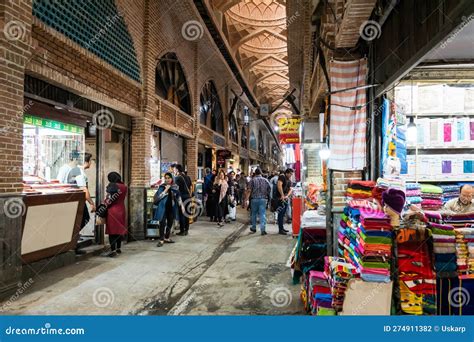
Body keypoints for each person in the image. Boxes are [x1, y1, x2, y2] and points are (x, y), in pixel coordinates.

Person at [153, 173, 182, 247]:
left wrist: (181, 205)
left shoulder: (175, 187)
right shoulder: (162, 187)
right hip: (163, 208)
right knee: (162, 223)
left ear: (172, 178)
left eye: (169, 178)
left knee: (170, 223)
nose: (167, 179)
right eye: (166, 178)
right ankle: (161, 239)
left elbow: (178, 196)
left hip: (172, 208)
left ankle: (167, 237)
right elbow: (159, 197)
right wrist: (166, 190)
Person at [104, 172, 128, 257]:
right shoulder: (124, 186)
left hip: (113, 211)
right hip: (121, 209)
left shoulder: (113, 186)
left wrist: (105, 203)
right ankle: (118, 248)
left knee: (112, 232)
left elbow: (110, 200)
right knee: (119, 231)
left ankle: (113, 251)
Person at [248, 168, 271, 235]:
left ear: (255, 173)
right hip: (263, 199)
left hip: (254, 199)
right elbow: (269, 189)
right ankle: (263, 229)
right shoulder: (266, 180)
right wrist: (266, 195)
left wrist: (246, 199)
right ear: (261, 173)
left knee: (254, 214)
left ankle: (254, 227)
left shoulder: (252, 180)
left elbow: (249, 190)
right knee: (262, 214)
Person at [172, 164, 192, 236]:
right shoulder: (188, 177)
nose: (174, 171)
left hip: (181, 197)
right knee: (187, 213)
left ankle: (182, 230)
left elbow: (176, 189)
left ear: (177, 170)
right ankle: (186, 230)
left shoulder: (178, 178)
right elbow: (190, 187)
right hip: (188, 197)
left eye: (174, 169)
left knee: (181, 214)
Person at [275, 168, 294, 235]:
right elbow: (279, 185)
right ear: (287, 173)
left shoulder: (289, 180)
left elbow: (291, 189)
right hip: (280, 198)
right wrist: (282, 195)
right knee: (280, 214)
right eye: (290, 174)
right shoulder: (282, 176)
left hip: (285, 198)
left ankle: (282, 228)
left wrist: (287, 196)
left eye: (291, 174)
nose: (291, 175)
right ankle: (280, 229)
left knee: (283, 214)